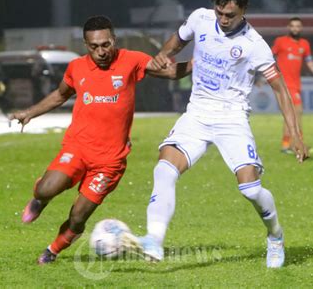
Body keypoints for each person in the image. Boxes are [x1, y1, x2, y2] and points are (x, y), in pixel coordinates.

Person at [129, 0, 308, 269]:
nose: (223, 19)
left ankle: (275, 235)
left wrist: (295, 134)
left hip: (232, 118)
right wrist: (164, 54)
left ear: (244, 10)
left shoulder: (254, 45)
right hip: (197, 113)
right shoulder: (200, 18)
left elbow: (280, 89)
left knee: (250, 189)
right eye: (219, 12)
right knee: (164, 169)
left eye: (230, 15)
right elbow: (179, 37)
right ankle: (154, 240)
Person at [10, 15, 191, 265]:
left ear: (113, 40)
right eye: (94, 46)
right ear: (86, 45)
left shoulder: (132, 60)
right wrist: (29, 113)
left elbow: (170, 72)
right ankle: (40, 199)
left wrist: (202, 63)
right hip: (78, 147)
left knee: (78, 218)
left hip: (109, 162)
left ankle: (52, 250)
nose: (101, 51)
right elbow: (60, 95)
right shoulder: (77, 67)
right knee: (46, 188)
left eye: (106, 44)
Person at [272, 17, 313, 153]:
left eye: (298, 26)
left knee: (291, 113)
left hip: (296, 84)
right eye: (293, 26)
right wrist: (266, 76)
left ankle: (286, 144)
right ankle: (297, 143)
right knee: (297, 111)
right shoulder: (281, 42)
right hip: (284, 84)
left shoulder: (304, 44)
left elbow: (309, 62)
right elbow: (269, 58)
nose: (295, 28)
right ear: (289, 27)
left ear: (301, 28)